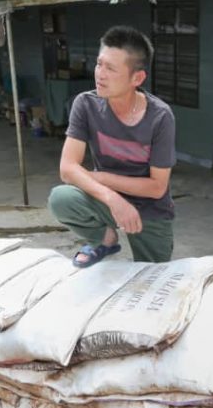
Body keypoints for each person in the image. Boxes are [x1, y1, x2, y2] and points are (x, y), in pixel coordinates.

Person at [49, 26, 176, 267]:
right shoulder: (85, 104)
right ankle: (105, 239)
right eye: (99, 64)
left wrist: (101, 177)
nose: (100, 74)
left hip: (151, 210)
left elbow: (157, 187)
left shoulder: (160, 117)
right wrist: (114, 200)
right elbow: (67, 169)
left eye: (111, 68)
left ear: (137, 78)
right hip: (106, 201)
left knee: (154, 276)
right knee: (61, 198)